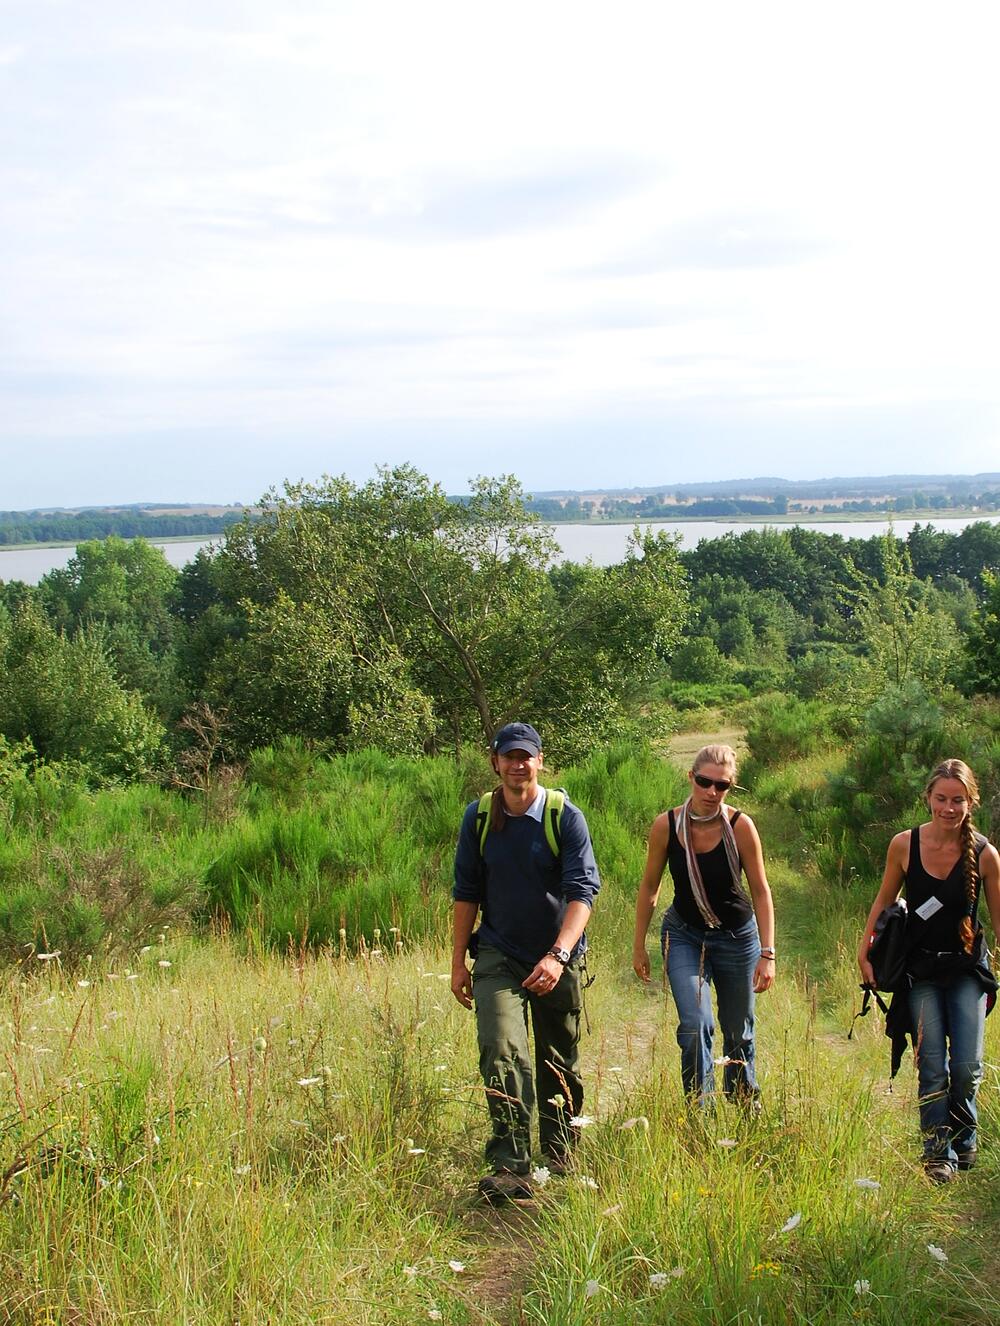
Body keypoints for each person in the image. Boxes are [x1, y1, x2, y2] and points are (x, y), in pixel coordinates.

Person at [452, 721, 600, 1203]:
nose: (518, 765)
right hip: (497, 954)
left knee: (558, 1059)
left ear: (540, 761)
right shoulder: (478, 819)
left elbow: (582, 893)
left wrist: (558, 956)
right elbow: (466, 894)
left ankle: (561, 1154)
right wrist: (458, 961)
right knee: (501, 1047)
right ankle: (510, 1164)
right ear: (495, 762)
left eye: (526, 756)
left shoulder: (563, 816)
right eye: (509, 756)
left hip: (556, 955)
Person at [858, 759, 1000, 1183]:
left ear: (970, 801)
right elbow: (884, 902)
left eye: (958, 800)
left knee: (968, 1064)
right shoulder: (904, 845)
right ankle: (937, 1150)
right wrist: (865, 952)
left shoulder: (986, 855)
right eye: (941, 798)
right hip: (919, 971)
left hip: (967, 971)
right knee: (933, 1061)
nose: (949, 808)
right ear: (928, 799)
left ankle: (964, 1132)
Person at [632, 744, 775, 1105]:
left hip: (737, 938)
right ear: (690, 778)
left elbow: (760, 890)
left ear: (730, 788)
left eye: (722, 786)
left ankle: (744, 1101)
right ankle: (701, 1110)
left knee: (738, 1030)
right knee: (696, 1026)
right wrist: (638, 946)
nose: (712, 792)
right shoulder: (666, 825)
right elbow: (650, 887)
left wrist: (767, 952)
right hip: (684, 935)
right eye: (704, 781)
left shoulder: (741, 826)